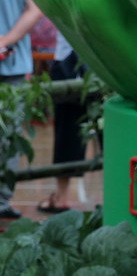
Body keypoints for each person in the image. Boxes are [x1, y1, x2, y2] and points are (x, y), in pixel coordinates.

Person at [0, 0, 42, 220]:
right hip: (12, 65)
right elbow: (34, 9)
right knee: (8, 136)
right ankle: (1, 201)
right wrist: (6, 41)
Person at [38, 30, 89, 213]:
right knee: (67, 130)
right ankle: (61, 197)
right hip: (73, 61)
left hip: (97, 61)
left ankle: (61, 197)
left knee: (109, 133)